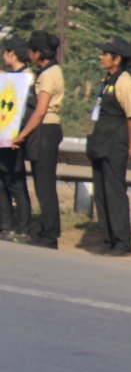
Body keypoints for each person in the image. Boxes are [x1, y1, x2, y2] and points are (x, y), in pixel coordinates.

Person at [86, 36, 131, 256]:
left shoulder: (125, 82)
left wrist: (130, 145)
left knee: (114, 192)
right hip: (101, 142)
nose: (101, 57)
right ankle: (108, 239)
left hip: (115, 143)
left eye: (106, 54)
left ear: (117, 59)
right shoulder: (107, 80)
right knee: (101, 192)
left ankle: (122, 242)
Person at [13, 30, 63, 249]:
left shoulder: (49, 74)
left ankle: (50, 235)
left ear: (37, 53)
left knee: (45, 186)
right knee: (42, 185)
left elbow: (41, 110)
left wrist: (21, 135)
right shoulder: (45, 72)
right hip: (43, 130)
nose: (30, 55)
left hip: (46, 130)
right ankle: (45, 230)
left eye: (31, 51)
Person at [0, 37, 34, 241]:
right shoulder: (10, 77)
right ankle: (6, 226)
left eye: (5, 52)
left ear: (12, 53)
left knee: (16, 183)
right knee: (1, 182)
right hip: (3, 137)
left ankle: (24, 228)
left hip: (16, 138)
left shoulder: (28, 77)